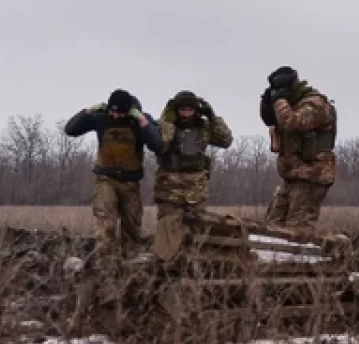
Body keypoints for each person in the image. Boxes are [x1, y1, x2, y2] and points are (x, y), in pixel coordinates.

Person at [63, 89, 163, 267]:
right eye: (113, 112)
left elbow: (157, 145)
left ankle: (131, 263)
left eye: (120, 113)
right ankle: (105, 265)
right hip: (106, 178)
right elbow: (70, 129)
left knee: (132, 224)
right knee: (105, 222)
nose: (116, 116)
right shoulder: (101, 118)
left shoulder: (139, 120)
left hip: (130, 182)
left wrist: (142, 121)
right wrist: (89, 111)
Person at [260, 66, 338, 230]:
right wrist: (268, 103)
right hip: (291, 177)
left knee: (297, 232)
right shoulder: (292, 104)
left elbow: (295, 123)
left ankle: (330, 252)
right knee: (272, 227)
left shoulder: (315, 103)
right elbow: (270, 120)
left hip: (312, 176)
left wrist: (280, 101)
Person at [153, 90, 233, 221]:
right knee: (169, 230)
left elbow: (226, 140)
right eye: (183, 110)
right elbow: (161, 143)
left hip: (196, 190)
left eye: (190, 110)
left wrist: (212, 117)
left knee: (197, 230)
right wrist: (167, 119)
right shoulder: (166, 126)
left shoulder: (203, 128)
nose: (186, 114)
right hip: (170, 190)